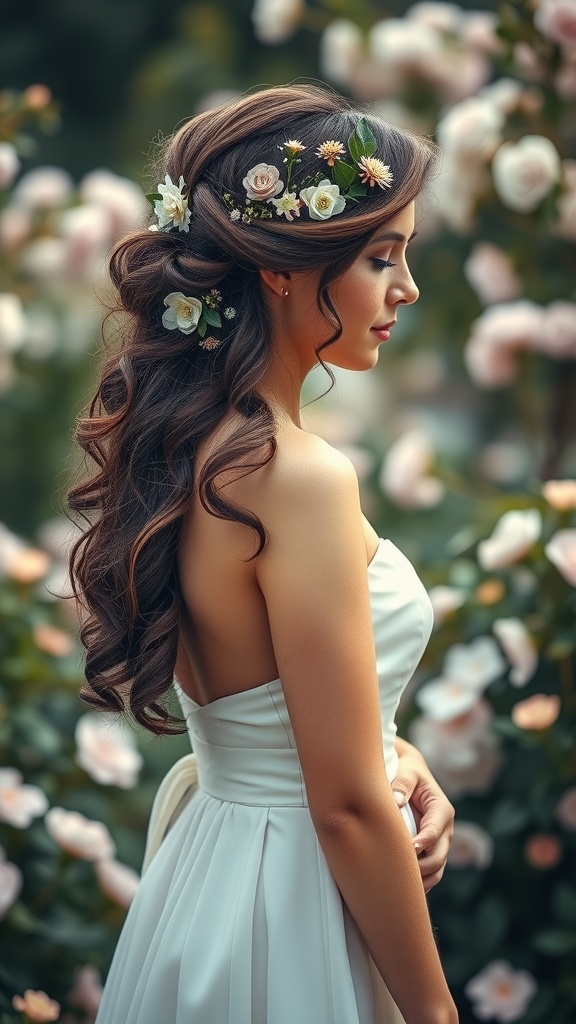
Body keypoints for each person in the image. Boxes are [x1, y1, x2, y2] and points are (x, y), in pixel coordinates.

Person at [67, 83, 458, 1024]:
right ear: (282, 269)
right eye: (380, 256)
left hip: (211, 876)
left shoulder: (194, 449)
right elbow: (343, 808)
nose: (405, 289)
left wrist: (395, 755)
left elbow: (275, 719)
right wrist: (437, 1013)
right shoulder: (298, 477)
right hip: (295, 901)